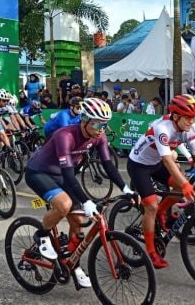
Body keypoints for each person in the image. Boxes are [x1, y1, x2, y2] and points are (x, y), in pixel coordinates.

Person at [25, 98, 132, 288]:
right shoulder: (65, 135)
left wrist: (125, 188)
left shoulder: (99, 136)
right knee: (64, 205)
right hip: (39, 172)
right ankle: (42, 235)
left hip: (62, 176)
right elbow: (68, 173)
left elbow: (108, 165)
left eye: (105, 125)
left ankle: (73, 265)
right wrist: (86, 200)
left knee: (79, 221)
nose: (102, 129)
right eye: (98, 124)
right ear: (84, 120)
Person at [127, 95, 195, 269]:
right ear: (176, 116)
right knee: (151, 205)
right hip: (139, 165)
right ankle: (150, 252)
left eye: (194, 117)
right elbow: (167, 160)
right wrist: (185, 184)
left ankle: (161, 213)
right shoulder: (162, 128)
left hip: (155, 163)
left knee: (181, 189)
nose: (191, 121)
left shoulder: (189, 129)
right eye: (188, 117)